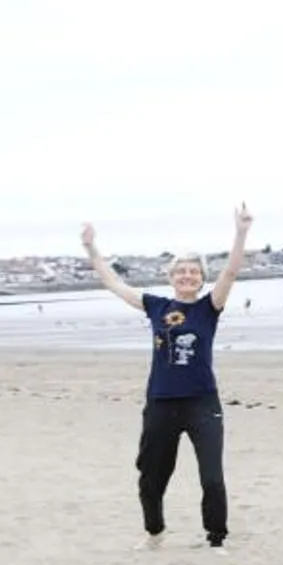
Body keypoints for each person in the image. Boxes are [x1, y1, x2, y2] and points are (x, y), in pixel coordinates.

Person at [83, 205, 251, 547]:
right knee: (151, 477)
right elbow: (113, 283)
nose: (187, 276)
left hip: (202, 402)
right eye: (181, 272)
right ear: (171, 277)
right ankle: (155, 533)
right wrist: (91, 249)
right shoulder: (157, 306)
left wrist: (241, 232)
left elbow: (231, 273)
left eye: (193, 272)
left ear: (201, 279)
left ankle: (216, 538)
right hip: (161, 402)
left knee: (212, 478)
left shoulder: (209, 307)